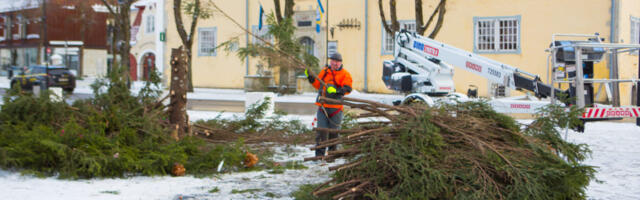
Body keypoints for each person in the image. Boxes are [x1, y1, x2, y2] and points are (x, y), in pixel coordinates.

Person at [305, 52, 353, 157]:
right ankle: (319, 156)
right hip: (323, 108)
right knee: (321, 132)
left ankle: (332, 155)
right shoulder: (325, 72)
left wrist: (336, 90)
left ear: (340, 63)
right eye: (333, 61)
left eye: (337, 62)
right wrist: (310, 77)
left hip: (336, 109)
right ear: (330, 61)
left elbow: (348, 88)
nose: (335, 63)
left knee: (334, 133)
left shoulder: (345, 74)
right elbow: (318, 85)